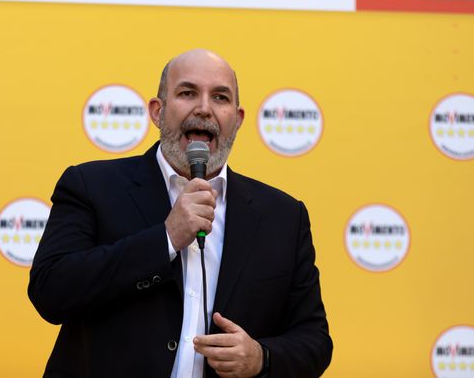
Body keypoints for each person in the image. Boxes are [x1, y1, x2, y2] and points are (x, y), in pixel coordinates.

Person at [28, 49, 333, 377]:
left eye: (220, 97)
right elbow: (51, 292)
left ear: (238, 119)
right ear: (157, 111)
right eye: (188, 93)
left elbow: (314, 340)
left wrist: (262, 357)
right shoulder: (91, 186)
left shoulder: (283, 217)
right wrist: (166, 238)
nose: (204, 109)